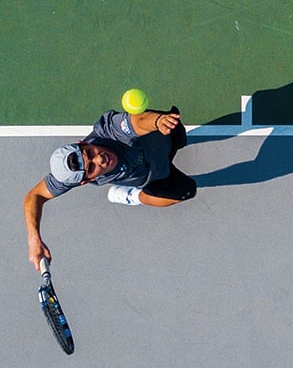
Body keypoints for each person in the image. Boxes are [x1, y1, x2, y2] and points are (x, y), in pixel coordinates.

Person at [23, 104, 196, 270]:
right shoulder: (69, 178)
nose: (100, 159)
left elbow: (138, 121)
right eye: (91, 168)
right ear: (85, 181)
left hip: (163, 135)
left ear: (82, 143)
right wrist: (34, 239)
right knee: (187, 191)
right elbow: (35, 196)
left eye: (89, 153)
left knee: (176, 128)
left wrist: (157, 121)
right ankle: (132, 196)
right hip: (155, 178)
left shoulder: (109, 130)